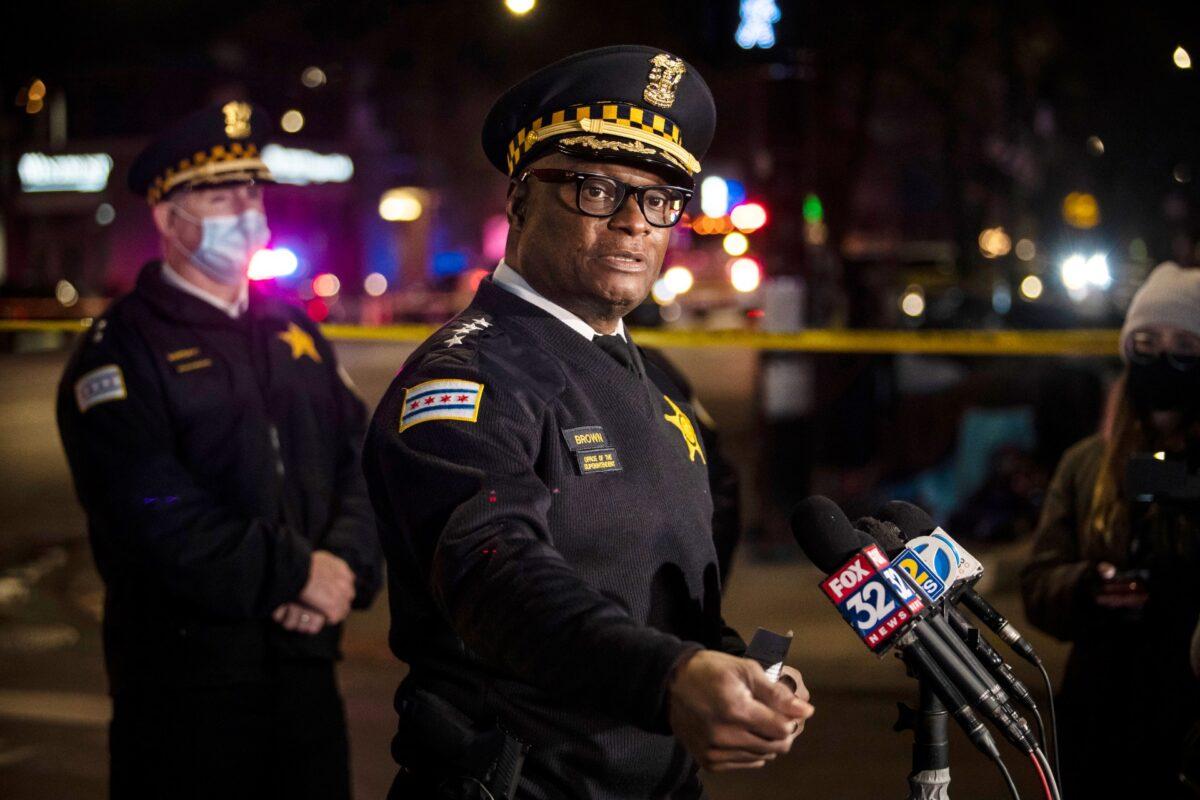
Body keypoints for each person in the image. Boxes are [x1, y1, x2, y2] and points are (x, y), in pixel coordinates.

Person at [363, 46, 813, 800]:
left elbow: (651, 590)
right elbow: (499, 577)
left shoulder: (653, 378)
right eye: (596, 190)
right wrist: (670, 676)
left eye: (661, 198)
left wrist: (733, 666)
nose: (635, 223)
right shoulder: (467, 378)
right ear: (517, 200)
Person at [56, 101, 382, 800]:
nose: (247, 206)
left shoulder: (293, 330)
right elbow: (150, 514)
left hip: (305, 673)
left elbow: (359, 459)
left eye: (252, 190)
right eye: (219, 192)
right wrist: (296, 573)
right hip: (184, 690)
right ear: (169, 218)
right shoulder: (121, 350)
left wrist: (344, 564)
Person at [1021, 262, 1200, 798]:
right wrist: (1087, 585)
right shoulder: (1087, 464)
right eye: (1146, 343)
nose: (1163, 359)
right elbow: (1039, 582)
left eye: (1184, 346)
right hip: (1101, 715)